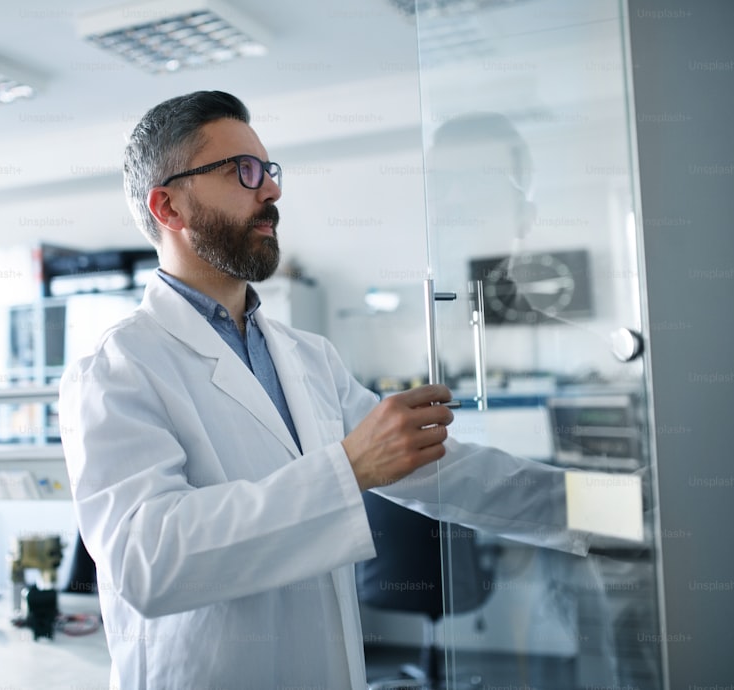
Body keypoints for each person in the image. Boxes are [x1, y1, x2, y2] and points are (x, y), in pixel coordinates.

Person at [58, 90, 592, 690]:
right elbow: (147, 564)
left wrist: (618, 511)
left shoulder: (308, 357)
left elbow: (450, 474)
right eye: (243, 172)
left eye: (269, 170)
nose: (272, 191)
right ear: (169, 207)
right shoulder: (116, 367)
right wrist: (347, 468)